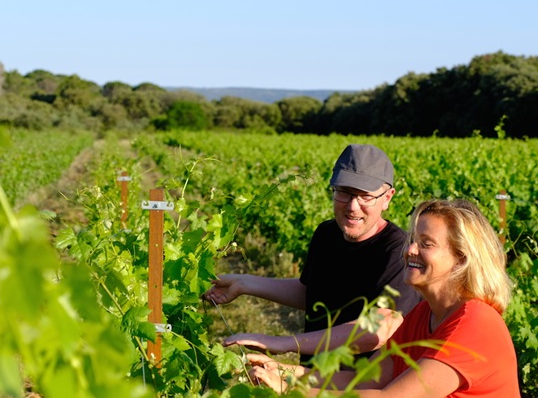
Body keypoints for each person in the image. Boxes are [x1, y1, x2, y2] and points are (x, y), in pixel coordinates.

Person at [247, 198, 521, 397]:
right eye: (412, 239)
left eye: (426, 244)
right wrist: (287, 372)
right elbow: (365, 379)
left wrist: (290, 391)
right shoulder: (421, 315)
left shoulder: (475, 324)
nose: (410, 249)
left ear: (461, 259)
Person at [204, 144, 421, 361]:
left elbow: (379, 330)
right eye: (344, 192)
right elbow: (312, 292)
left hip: (360, 384)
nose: (353, 206)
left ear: (387, 198)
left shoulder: (399, 251)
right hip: (313, 375)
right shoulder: (327, 234)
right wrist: (244, 284)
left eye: (365, 196)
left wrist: (286, 343)